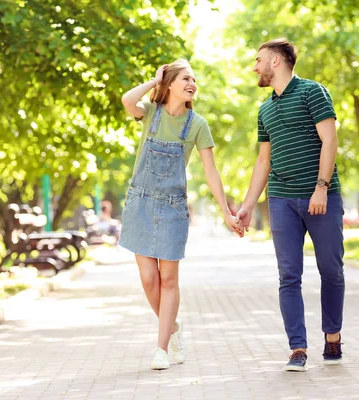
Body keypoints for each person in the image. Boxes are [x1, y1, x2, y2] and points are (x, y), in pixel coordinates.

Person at [119, 59, 243, 370]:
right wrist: (154, 80)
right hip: (141, 203)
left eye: (194, 80)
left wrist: (227, 213)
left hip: (173, 207)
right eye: (186, 78)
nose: (192, 84)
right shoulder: (150, 114)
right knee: (149, 280)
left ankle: (161, 349)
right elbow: (127, 101)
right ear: (171, 83)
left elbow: (211, 173)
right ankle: (172, 328)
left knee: (169, 279)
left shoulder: (197, 124)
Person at [236, 38, 345, 372]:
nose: (254, 66)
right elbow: (263, 162)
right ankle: (297, 348)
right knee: (288, 276)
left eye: (258, 60)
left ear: (276, 62)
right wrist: (247, 205)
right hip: (281, 199)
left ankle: (333, 337)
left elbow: (330, 139)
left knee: (331, 270)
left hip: (320, 197)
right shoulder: (264, 110)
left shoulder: (313, 92)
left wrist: (321, 188)